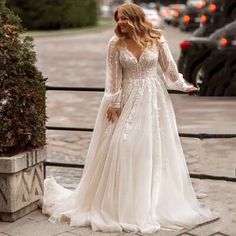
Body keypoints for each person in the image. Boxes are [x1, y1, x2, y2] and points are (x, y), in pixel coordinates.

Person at [42, 3, 218, 234]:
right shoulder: (115, 43)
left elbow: (170, 70)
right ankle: (120, 205)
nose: (121, 22)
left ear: (136, 18)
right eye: (118, 18)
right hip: (125, 100)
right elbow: (113, 77)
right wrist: (114, 104)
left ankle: (148, 204)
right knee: (123, 146)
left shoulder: (156, 38)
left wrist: (184, 86)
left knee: (149, 150)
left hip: (153, 101)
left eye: (125, 18)